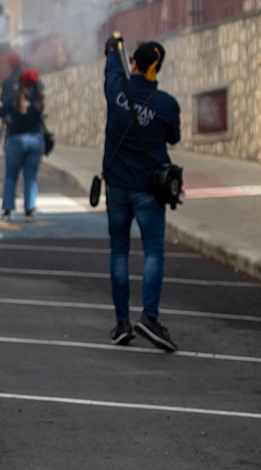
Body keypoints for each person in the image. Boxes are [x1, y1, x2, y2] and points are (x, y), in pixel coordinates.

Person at [102, 36, 181, 352]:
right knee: (153, 252)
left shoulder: (116, 88)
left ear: (134, 64)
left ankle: (122, 322)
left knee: (119, 252)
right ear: (156, 69)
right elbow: (173, 138)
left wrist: (112, 47)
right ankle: (149, 317)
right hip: (150, 189)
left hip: (117, 188)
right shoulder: (166, 104)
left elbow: (111, 65)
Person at [0, 69, 45, 222]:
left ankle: (7, 211)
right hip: (36, 140)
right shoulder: (39, 99)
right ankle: (29, 211)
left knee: (10, 176)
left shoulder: (13, 100)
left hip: (16, 141)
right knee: (30, 177)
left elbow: (0, 112)